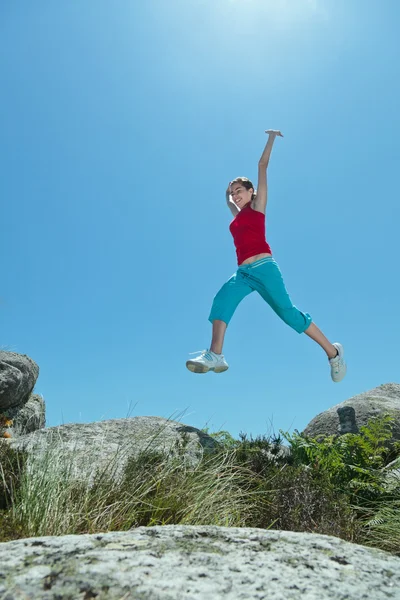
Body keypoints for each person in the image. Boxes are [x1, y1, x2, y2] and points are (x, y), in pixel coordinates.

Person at [186, 130, 347, 383]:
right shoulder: (236, 215)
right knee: (222, 300)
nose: (236, 196)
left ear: (251, 191)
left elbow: (262, 165)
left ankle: (333, 353)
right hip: (244, 273)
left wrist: (271, 137)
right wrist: (227, 188)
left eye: (240, 190)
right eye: (234, 192)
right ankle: (215, 354)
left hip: (265, 268)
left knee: (289, 314)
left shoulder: (258, 207)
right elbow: (227, 199)